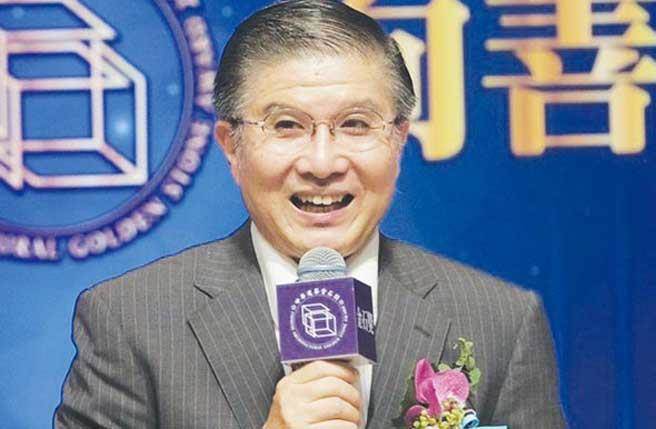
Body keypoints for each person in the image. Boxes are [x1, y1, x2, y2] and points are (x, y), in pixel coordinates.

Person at [55, 1, 567, 428]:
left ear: (399, 140)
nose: (323, 163)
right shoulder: (131, 320)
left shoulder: (501, 321)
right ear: (231, 145)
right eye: (286, 126)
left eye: (356, 124)